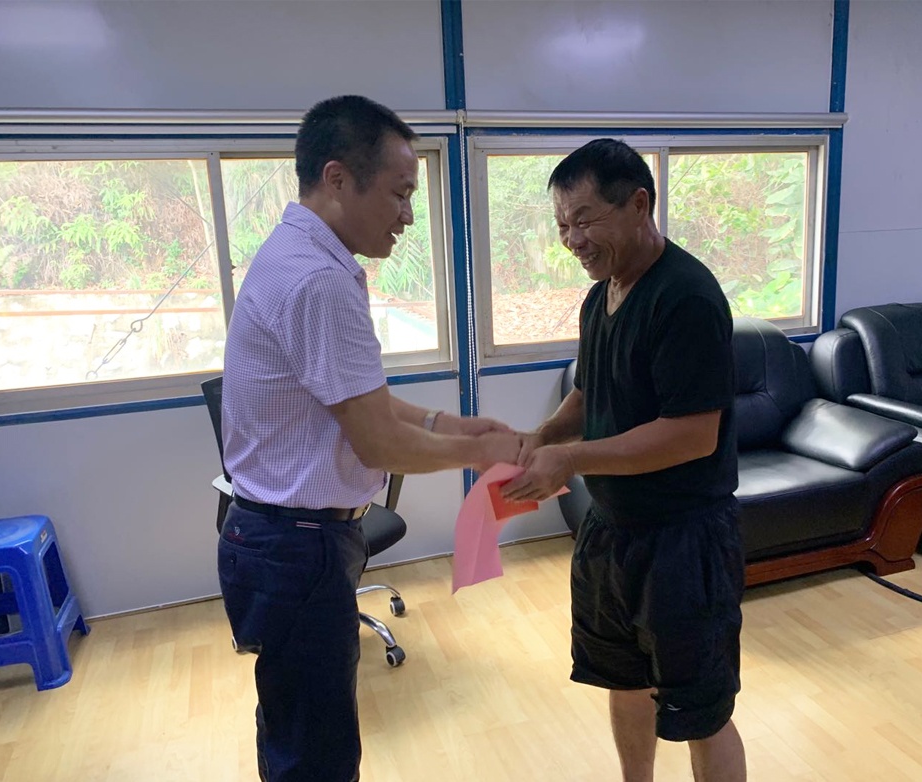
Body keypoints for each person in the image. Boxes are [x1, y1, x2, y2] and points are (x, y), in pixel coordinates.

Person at [218, 95, 520, 782]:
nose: (408, 216)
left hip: (279, 540)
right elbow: (379, 445)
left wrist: (444, 425)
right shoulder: (320, 281)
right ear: (337, 179)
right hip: (299, 546)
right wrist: (485, 451)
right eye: (399, 193)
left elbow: (355, 401)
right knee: (317, 755)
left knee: (297, 729)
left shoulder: (292, 254)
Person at [502, 139, 747, 782]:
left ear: (639, 204)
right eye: (562, 225)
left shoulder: (686, 297)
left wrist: (570, 458)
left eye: (584, 219)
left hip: (683, 541)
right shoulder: (600, 297)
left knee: (699, 708)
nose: (572, 240)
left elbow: (692, 434)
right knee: (624, 677)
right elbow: (592, 390)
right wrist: (545, 435)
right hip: (612, 533)